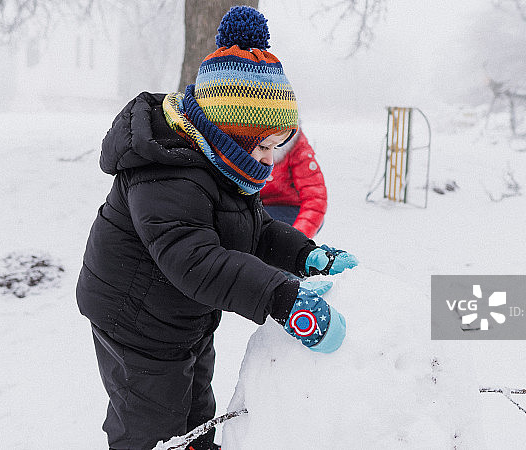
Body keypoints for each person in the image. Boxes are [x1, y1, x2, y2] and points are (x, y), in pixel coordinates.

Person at [76, 7, 358, 450]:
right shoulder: (167, 174)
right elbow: (195, 261)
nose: (269, 160)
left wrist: (306, 255)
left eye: (277, 148)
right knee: (150, 426)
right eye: (264, 147)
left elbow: (256, 229)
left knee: (195, 411)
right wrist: (281, 299)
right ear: (231, 134)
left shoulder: (224, 164)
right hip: (136, 323)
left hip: (183, 316)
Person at [260, 128, 327, 238]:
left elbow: (315, 199)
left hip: (290, 211)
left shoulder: (298, 149)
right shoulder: (246, 143)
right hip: (259, 207)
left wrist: (296, 241)